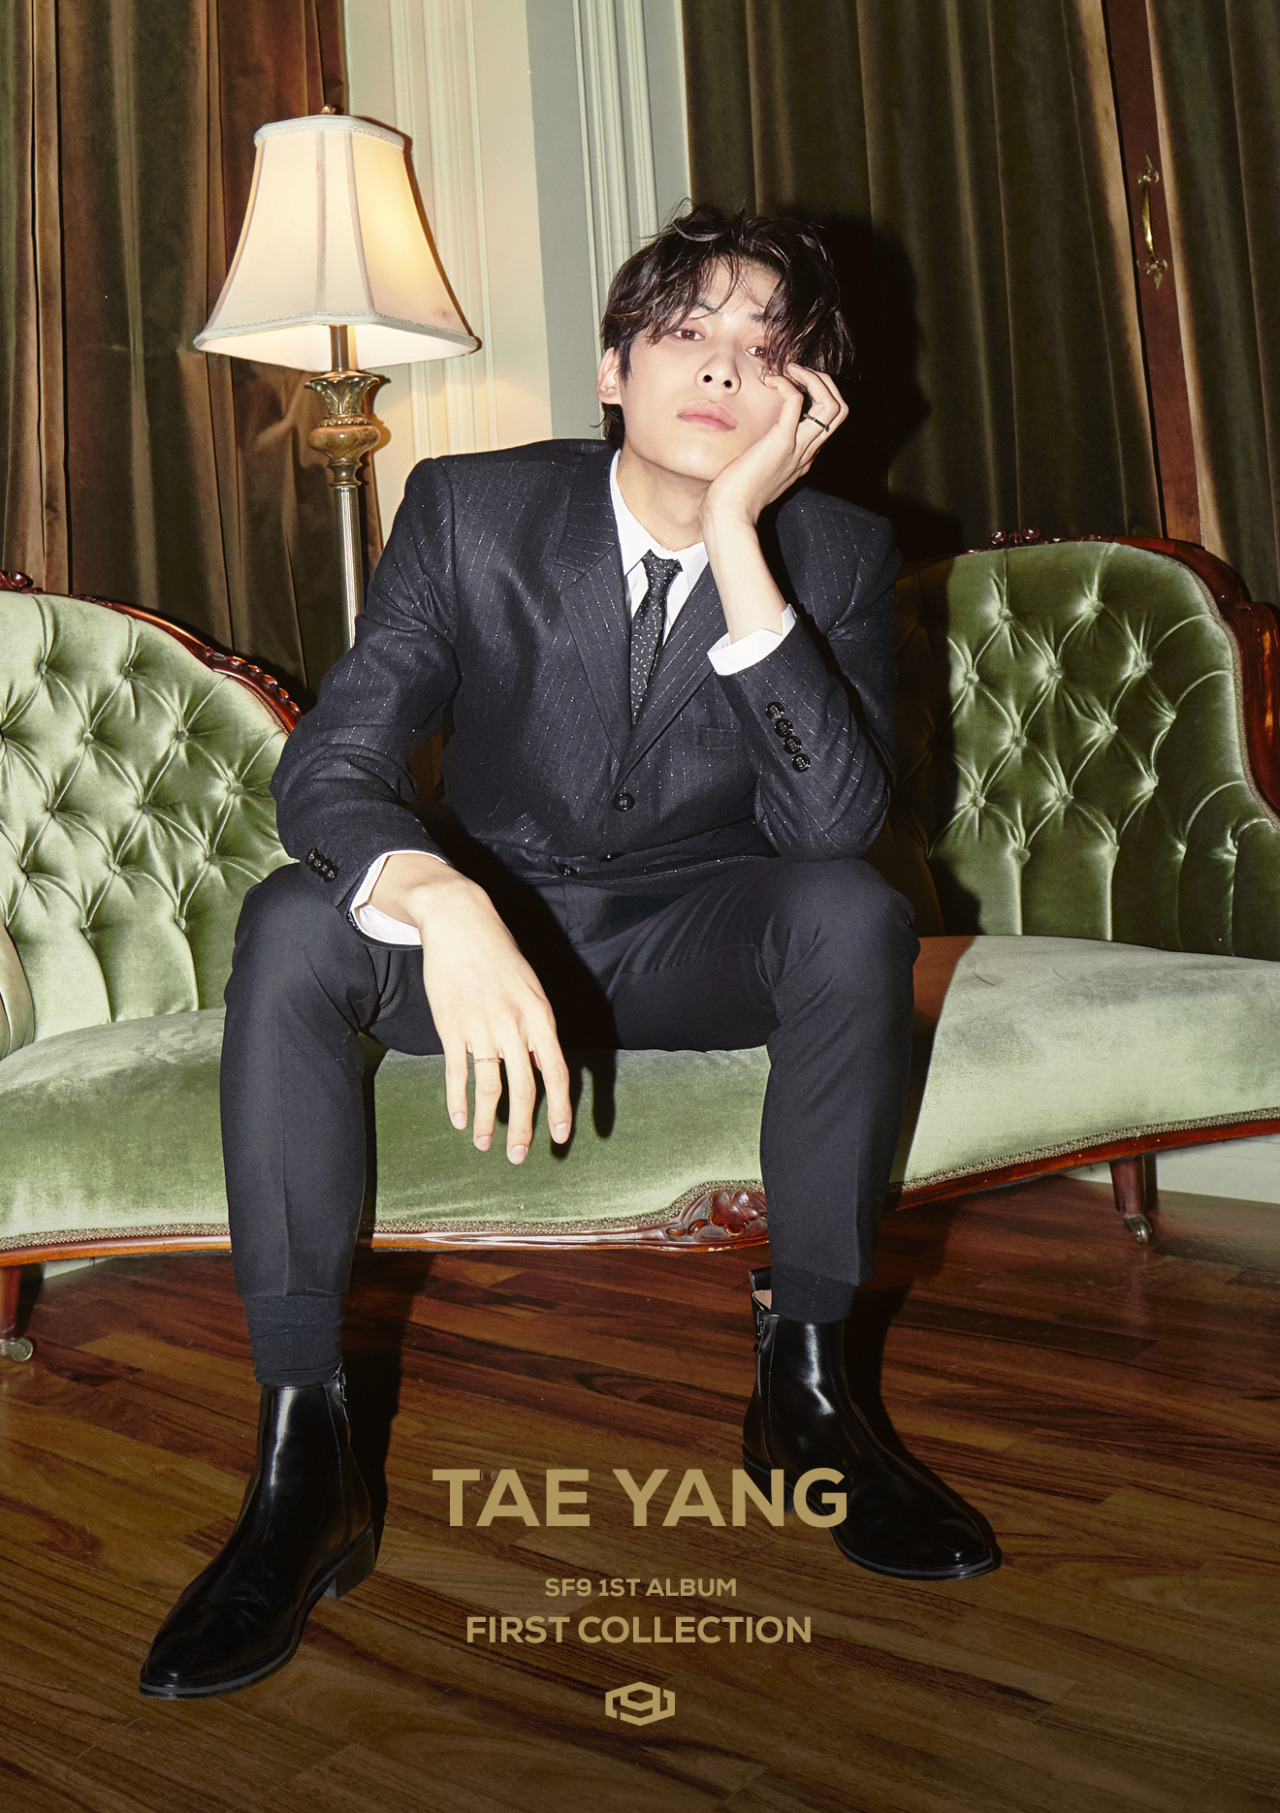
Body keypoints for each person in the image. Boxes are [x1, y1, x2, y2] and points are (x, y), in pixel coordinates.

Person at [140, 205, 998, 1700]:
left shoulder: (838, 550)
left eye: (768, 347)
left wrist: (739, 537)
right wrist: (441, 896)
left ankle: (808, 1388)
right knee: (290, 920)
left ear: (806, 401)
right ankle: (302, 1453)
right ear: (613, 368)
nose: (722, 368)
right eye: (687, 332)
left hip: (692, 934)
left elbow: (833, 825)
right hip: (493, 927)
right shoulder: (468, 510)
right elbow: (334, 759)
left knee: (853, 912)